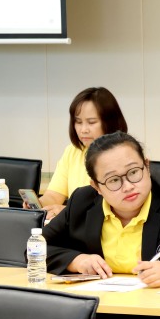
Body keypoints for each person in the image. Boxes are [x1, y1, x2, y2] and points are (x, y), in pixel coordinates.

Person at [43, 131, 160, 288]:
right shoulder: (82, 201)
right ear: (97, 187)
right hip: (100, 306)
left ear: (147, 166)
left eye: (133, 172)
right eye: (113, 180)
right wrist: (77, 261)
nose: (128, 186)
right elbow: (37, 247)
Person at [38, 87, 128, 220]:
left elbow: (119, 208)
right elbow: (54, 195)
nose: (83, 130)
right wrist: (39, 205)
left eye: (91, 122)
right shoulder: (73, 151)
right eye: (78, 122)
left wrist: (68, 212)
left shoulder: (125, 154)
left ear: (109, 122)